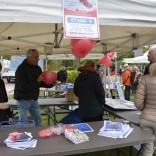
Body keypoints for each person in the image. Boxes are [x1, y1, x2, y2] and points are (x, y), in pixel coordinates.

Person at [14, 49, 54, 127]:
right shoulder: (21, 69)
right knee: (23, 123)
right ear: (28, 57)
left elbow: (40, 83)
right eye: (36, 57)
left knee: (38, 121)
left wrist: (51, 83)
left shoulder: (37, 68)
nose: (38, 59)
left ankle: (37, 138)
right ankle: (22, 138)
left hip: (34, 100)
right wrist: (37, 81)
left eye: (38, 57)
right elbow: (23, 88)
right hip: (23, 100)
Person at [134, 63, 156, 156]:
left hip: (146, 118)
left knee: (147, 150)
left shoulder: (146, 78)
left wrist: (145, 109)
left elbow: (138, 102)